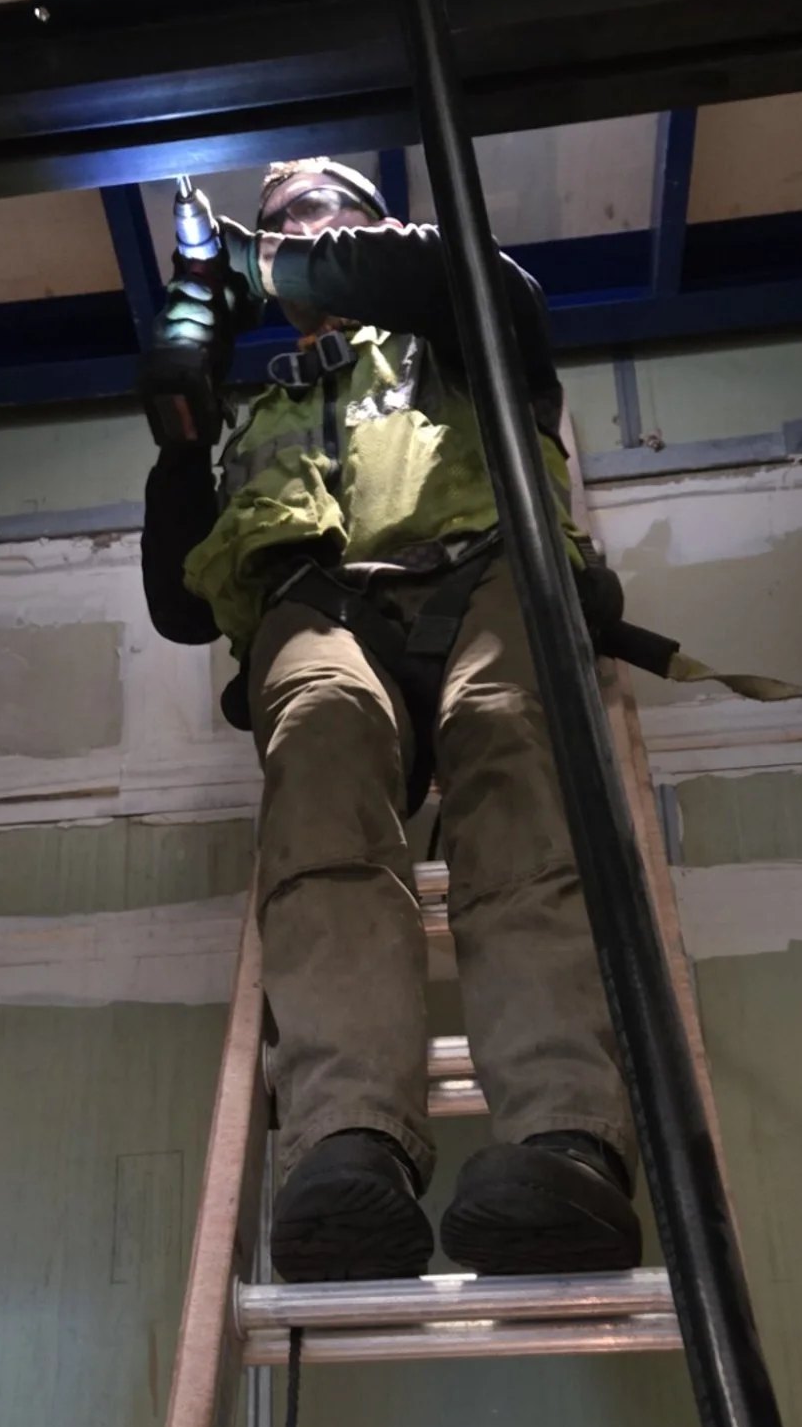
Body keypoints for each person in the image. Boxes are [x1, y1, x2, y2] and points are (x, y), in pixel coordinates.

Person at [141, 157, 642, 1285]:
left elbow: (490, 288)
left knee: (516, 777)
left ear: (369, 227)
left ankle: (567, 1140)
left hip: (488, 571)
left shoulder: (454, 330)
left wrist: (261, 258)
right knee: (317, 801)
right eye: (276, 222)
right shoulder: (259, 409)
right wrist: (180, 425)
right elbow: (181, 603)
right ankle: (347, 1144)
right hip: (319, 607)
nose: (294, 230)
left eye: (319, 213)